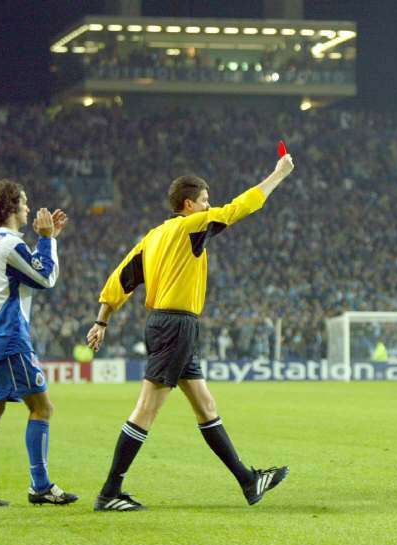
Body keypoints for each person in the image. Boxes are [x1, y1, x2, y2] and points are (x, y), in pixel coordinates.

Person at [87, 154, 295, 511]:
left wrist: (102, 319)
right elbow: (239, 207)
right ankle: (109, 492)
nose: (208, 205)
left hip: (165, 324)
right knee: (146, 408)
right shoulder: (192, 226)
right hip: (176, 325)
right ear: (189, 205)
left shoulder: (154, 237)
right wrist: (278, 175)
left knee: (205, 405)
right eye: (204, 200)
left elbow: (121, 277)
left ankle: (248, 481)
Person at [0, 179, 76, 507]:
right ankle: (40, 486)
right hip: (8, 340)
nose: (29, 208)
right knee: (42, 408)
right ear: (11, 207)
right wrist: (46, 240)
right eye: (24, 202)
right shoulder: (7, 243)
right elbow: (45, 278)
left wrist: (48, 240)